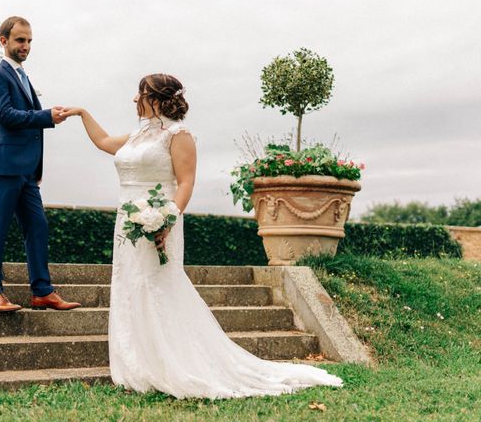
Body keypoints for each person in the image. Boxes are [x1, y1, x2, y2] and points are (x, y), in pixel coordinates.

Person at [59, 74, 343, 399]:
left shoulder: (179, 135)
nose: (134, 99)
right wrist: (81, 113)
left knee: (156, 285)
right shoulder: (138, 135)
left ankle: (174, 362)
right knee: (130, 285)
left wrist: (167, 220)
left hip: (157, 221)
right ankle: (140, 365)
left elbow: (185, 183)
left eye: (140, 93)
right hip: (128, 223)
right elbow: (105, 142)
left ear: (154, 97)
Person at [0, 16, 81, 312]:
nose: (26, 46)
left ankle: (42, 291)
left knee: (38, 226)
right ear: (4, 41)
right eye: (20, 40)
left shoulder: (24, 77)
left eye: (29, 41)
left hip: (26, 170)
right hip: (4, 165)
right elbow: (7, 116)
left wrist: (36, 168)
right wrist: (46, 115)